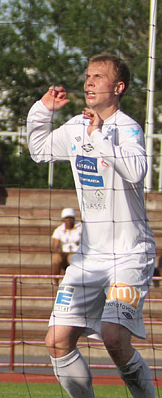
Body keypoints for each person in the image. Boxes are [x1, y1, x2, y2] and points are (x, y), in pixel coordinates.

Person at [28, 54, 155, 397]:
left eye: (98, 76)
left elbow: (137, 171)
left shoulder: (128, 128)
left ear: (118, 87)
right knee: (56, 341)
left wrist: (99, 137)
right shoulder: (74, 126)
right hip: (89, 258)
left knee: (114, 336)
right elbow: (38, 150)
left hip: (129, 255)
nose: (89, 81)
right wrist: (42, 110)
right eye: (87, 75)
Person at [51, 208, 82, 279]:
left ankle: (74, 280)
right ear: (63, 220)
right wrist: (59, 252)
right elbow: (55, 246)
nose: (69, 221)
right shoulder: (59, 230)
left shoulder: (80, 228)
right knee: (56, 259)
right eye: (66, 218)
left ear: (74, 218)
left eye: (71, 218)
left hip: (77, 252)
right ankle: (56, 282)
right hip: (63, 253)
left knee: (72, 258)